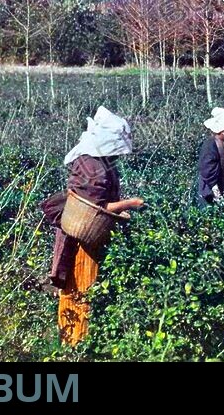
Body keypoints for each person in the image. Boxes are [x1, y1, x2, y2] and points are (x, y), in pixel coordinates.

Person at [40, 106, 145, 347]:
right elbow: (94, 207)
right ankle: (75, 343)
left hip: (88, 232)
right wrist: (130, 203)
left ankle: (79, 339)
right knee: (80, 286)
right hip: (83, 237)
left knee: (84, 288)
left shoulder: (97, 160)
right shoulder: (92, 166)